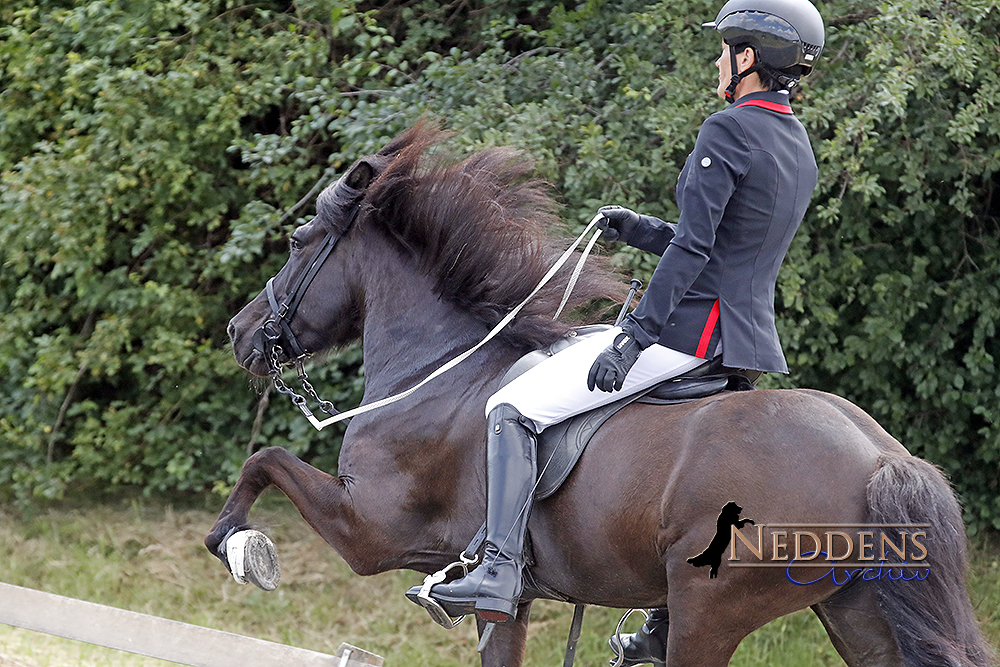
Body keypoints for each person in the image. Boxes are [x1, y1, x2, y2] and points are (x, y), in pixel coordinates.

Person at [405, 0, 825, 654]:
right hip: (741, 344)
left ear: (748, 59)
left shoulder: (728, 129)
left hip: (687, 336)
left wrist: (634, 338)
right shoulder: (795, 143)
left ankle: (497, 569)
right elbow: (721, 247)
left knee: (513, 405)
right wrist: (642, 229)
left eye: (724, 50)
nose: (717, 61)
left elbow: (694, 256)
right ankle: (659, 625)